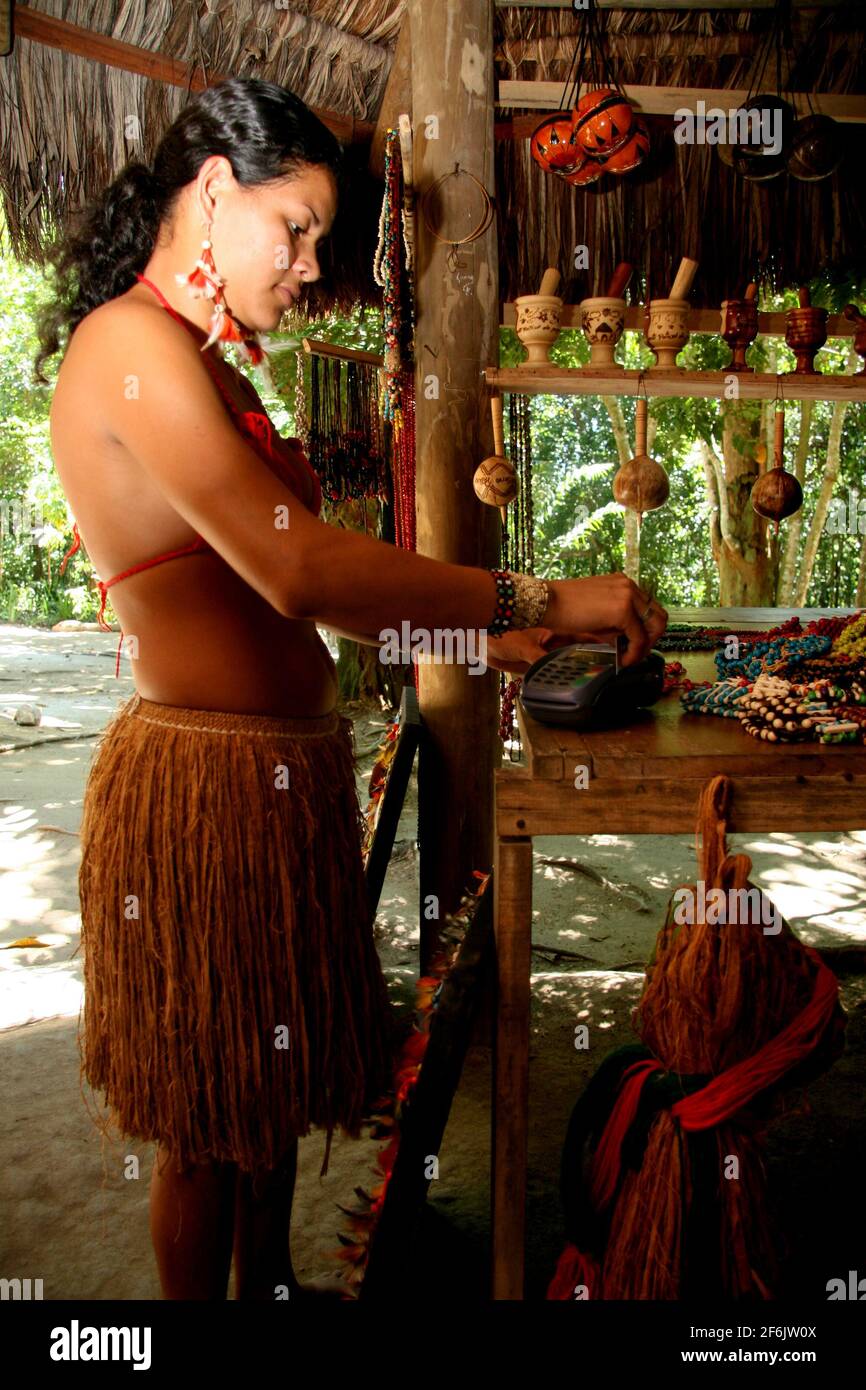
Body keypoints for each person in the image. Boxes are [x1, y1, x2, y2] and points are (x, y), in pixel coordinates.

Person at [36, 76, 668, 1301]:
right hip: (203, 781)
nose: (313, 263)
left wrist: (478, 648)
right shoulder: (129, 349)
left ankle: (266, 1284)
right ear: (215, 190)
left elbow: (298, 586)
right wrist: (533, 598)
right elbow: (290, 562)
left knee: (267, 1092)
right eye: (301, 229)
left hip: (273, 777)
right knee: (209, 1112)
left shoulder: (206, 362)